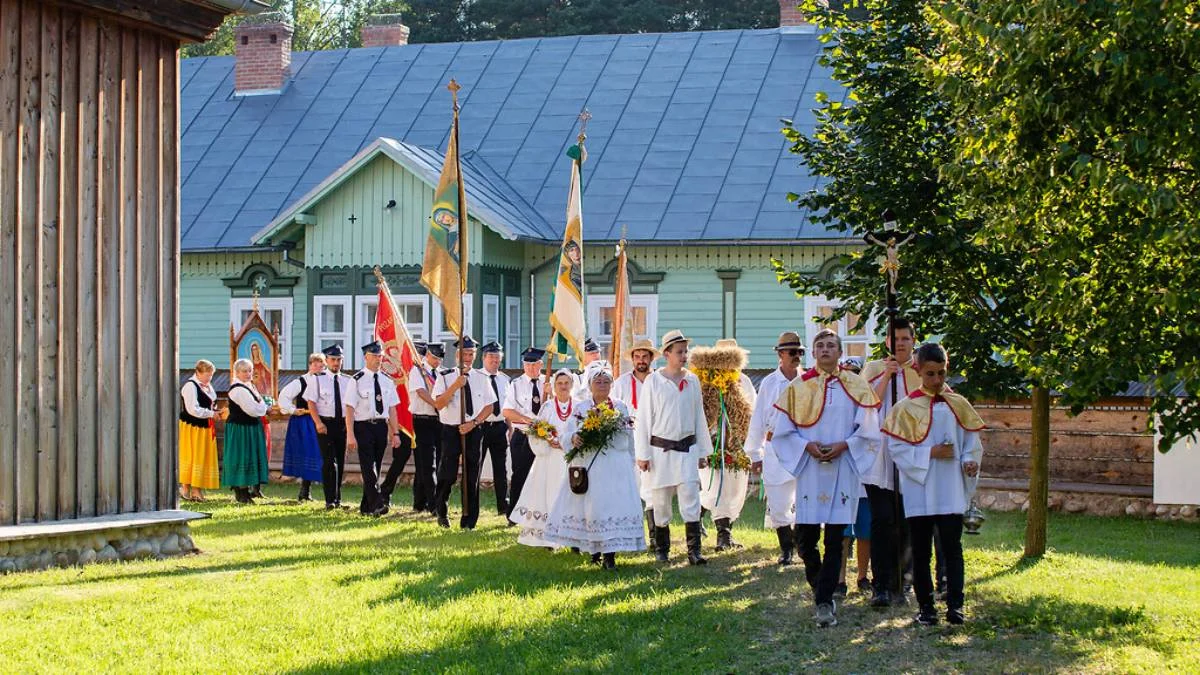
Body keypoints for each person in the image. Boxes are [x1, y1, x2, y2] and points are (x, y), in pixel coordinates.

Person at [770, 329, 881, 627]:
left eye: (831, 345)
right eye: (820, 345)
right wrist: (807, 446)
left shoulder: (857, 386)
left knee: (836, 538)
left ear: (840, 351)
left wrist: (844, 446)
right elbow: (783, 431)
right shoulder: (798, 387)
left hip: (843, 467)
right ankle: (821, 584)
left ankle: (824, 602)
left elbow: (869, 429)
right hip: (810, 469)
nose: (826, 349)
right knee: (805, 540)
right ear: (814, 352)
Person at [882, 343, 985, 626]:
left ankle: (955, 605)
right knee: (921, 550)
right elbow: (897, 449)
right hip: (920, 490)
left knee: (952, 548)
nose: (937, 380)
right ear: (918, 370)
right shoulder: (904, 409)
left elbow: (971, 443)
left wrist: (968, 461)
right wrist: (930, 453)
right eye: (930, 374)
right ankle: (926, 607)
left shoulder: (958, 405)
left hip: (949, 488)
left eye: (941, 373)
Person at [545, 363, 646, 569]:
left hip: (615, 466)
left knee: (613, 508)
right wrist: (573, 438)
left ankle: (610, 556)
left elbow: (629, 437)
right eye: (598, 382)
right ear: (590, 385)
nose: (602, 385)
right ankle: (595, 550)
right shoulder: (581, 408)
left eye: (606, 381)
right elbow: (566, 434)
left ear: (611, 384)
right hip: (591, 467)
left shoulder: (620, 407)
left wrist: (631, 461)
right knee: (593, 509)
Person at [634, 330, 713, 566]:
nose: (684, 356)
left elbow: (699, 415)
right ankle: (662, 548)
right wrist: (643, 455)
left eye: (685, 351)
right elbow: (644, 419)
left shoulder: (692, 380)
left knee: (691, 498)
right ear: (667, 354)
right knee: (660, 501)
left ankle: (694, 551)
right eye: (679, 352)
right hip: (661, 451)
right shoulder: (654, 381)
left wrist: (702, 451)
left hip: (687, 449)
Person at [859, 317, 922, 607]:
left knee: (908, 520)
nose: (900, 344)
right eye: (894, 339)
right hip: (880, 455)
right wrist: (886, 376)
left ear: (913, 341)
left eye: (905, 339)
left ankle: (904, 581)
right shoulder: (873, 368)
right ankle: (880, 584)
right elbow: (866, 405)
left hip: (910, 452)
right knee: (882, 519)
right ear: (886, 342)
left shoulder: (921, 371)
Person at [746, 332, 805, 565]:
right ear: (781, 354)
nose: (796, 356)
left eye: (799, 352)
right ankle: (786, 547)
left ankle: (802, 545)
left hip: (801, 446)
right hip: (775, 446)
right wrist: (754, 452)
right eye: (792, 352)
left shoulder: (807, 380)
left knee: (804, 498)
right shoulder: (770, 383)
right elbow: (758, 418)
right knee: (778, 500)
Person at [694, 338, 758, 552]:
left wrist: (749, 441)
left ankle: (715, 526)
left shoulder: (744, 381)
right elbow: (702, 411)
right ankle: (722, 534)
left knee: (735, 485)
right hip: (714, 442)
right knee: (715, 485)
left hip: (737, 441)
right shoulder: (706, 381)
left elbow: (752, 410)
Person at [431, 335, 497, 530]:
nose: (468, 357)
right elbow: (438, 403)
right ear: (457, 354)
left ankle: (469, 520)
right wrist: (454, 386)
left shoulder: (481, 378)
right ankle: (441, 511)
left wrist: (474, 422)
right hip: (451, 430)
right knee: (447, 474)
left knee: (472, 475)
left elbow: (489, 407)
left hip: (473, 430)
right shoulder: (445, 376)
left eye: (471, 354)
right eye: (465, 354)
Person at [510, 368, 573, 547]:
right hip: (550, 458)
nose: (563, 387)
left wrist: (567, 442)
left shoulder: (578, 405)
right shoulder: (547, 406)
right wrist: (549, 439)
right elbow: (538, 429)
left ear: (572, 385)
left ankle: (573, 538)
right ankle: (548, 537)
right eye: (559, 383)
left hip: (571, 458)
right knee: (549, 494)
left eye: (566, 383)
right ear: (554, 386)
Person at [611, 338, 659, 551]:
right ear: (632, 359)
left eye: (644, 356)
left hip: (655, 439)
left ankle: (655, 536)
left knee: (653, 487)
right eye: (637, 357)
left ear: (650, 358)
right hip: (629, 441)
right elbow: (612, 410)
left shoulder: (659, 380)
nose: (641, 360)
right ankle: (628, 534)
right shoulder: (621, 383)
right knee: (630, 487)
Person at [347, 341, 401, 517]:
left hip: (380, 426)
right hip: (363, 426)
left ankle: (366, 507)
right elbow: (349, 408)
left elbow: (392, 408)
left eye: (380, 356)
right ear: (366, 357)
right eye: (375, 356)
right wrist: (350, 434)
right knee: (368, 466)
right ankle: (377, 503)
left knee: (376, 466)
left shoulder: (386, 381)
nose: (379, 359)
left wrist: (395, 432)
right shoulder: (356, 380)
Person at [387, 341, 441, 513]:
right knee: (427, 463)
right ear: (427, 355)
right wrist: (437, 403)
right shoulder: (417, 371)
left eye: (439, 357)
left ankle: (420, 502)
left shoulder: (439, 373)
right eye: (434, 357)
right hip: (421, 420)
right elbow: (420, 392)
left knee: (429, 463)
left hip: (438, 421)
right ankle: (433, 504)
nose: (437, 360)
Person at [502, 347, 547, 524]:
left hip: (544, 436)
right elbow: (507, 410)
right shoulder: (516, 383)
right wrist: (525, 420)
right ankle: (514, 514)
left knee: (544, 474)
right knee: (520, 474)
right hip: (523, 434)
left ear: (541, 364)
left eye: (534, 364)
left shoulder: (549, 382)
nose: (530, 368)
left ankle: (540, 512)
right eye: (527, 364)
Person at [307, 344, 353, 510]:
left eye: (339, 360)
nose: (336, 363)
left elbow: (350, 405)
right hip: (325, 423)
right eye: (333, 359)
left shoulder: (348, 381)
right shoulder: (317, 379)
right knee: (329, 461)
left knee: (340, 461)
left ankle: (338, 499)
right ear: (326, 360)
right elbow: (311, 402)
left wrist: (349, 427)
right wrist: (318, 423)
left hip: (341, 424)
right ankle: (329, 500)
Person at [222, 358, 273, 504]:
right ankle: (241, 492)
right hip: (241, 428)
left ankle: (247, 491)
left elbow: (260, 402)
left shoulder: (250, 386)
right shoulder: (238, 389)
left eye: (250, 370)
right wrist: (265, 409)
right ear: (237, 373)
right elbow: (253, 409)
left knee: (250, 456)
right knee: (242, 457)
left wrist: (263, 407)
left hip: (250, 426)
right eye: (244, 371)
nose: (248, 374)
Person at [278, 354, 326, 502]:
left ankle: (307, 491)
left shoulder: (325, 381)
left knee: (318, 454)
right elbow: (283, 397)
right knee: (307, 453)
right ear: (310, 364)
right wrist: (292, 410)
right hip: (304, 422)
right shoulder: (301, 382)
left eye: (321, 365)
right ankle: (304, 492)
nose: (318, 367)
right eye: (316, 364)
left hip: (319, 420)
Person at [476, 341, 512, 516]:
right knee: (476, 466)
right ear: (484, 358)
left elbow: (508, 407)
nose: (494, 360)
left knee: (501, 468)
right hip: (481, 427)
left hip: (500, 427)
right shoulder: (475, 378)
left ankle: (502, 505)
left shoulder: (505, 380)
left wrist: (510, 428)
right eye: (491, 357)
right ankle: (472, 504)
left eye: (497, 357)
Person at [179, 359, 219, 502]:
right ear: (198, 372)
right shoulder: (190, 386)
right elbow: (192, 409)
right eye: (207, 375)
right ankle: (187, 489)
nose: (209, 378)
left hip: (204, 426)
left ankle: (196, 489)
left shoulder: (207, 386)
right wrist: (211, 413)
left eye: (211, 375)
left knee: (201, 456)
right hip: (193, 427)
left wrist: (215, 412)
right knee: (192, 455)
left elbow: (210, 403)